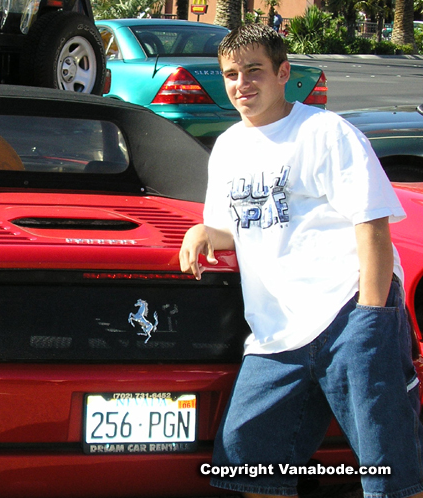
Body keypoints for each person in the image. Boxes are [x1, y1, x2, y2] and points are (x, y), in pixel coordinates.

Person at [179, 23, 423, 498]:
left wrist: (371, 318)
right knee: (248, 464)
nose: (242, 84)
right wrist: (204, 230)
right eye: (231, 74)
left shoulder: (325, 131)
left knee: (389, 472)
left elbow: (371, 222)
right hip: (276, 334)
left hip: (349, 312)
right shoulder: (227, 148)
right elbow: (243, 227)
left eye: (254, 71)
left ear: (283, 72)